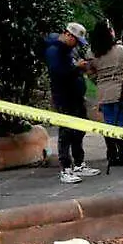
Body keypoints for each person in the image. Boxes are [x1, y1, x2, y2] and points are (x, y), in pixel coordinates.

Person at [44, 22, 101, 184]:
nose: (76, 44)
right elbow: (58, 73)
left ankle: (79, 163)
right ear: (68, 35)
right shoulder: (54, 51)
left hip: (76, 95)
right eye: (75, 40)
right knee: (66, 132)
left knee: (79, 129)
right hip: (64, 97)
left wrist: (82, 67)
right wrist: (76, 67)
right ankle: (65, 168)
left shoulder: (71, 49)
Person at [88, 20, 123, 169]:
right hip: (122, 91)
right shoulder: (122, 50)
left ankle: (111, 154)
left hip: (103, 91)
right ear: (110, 32)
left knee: (109, 123)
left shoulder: (92, 53)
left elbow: (90, 72)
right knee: (121, 123)